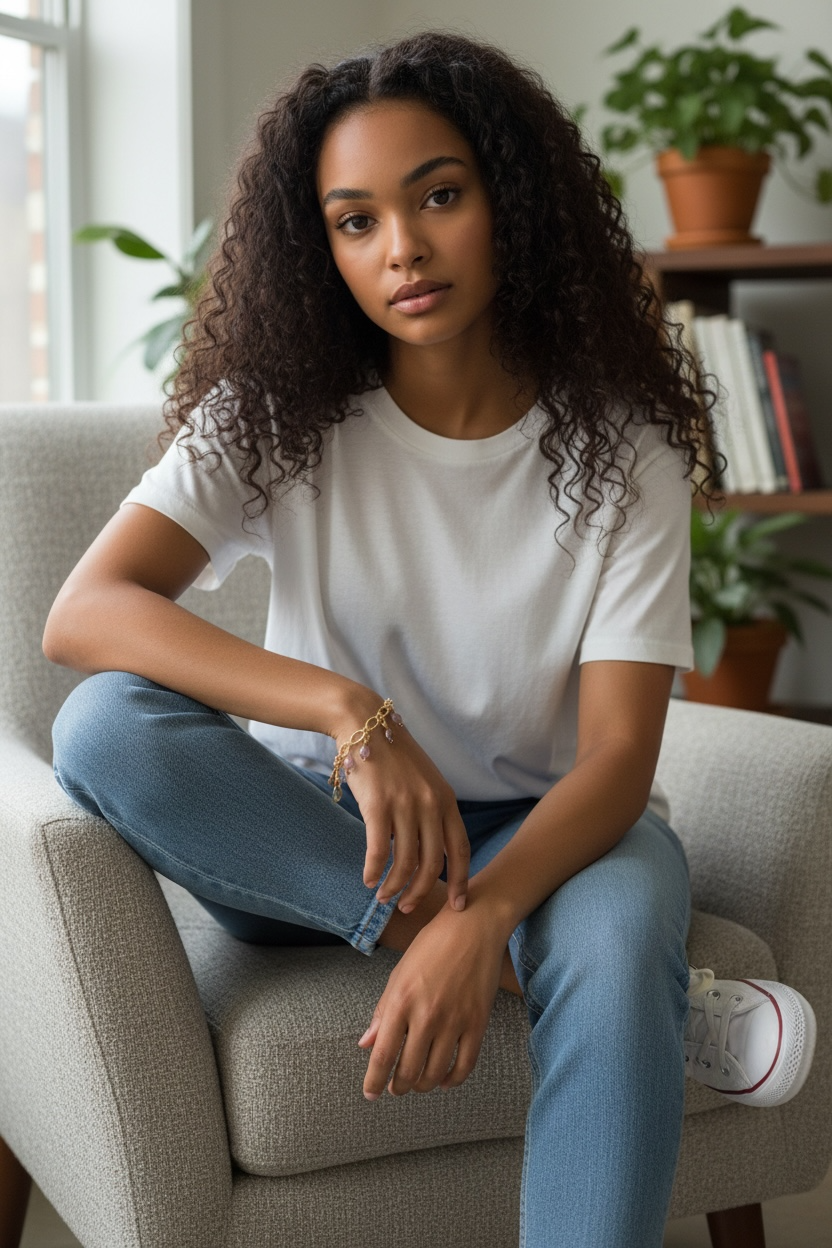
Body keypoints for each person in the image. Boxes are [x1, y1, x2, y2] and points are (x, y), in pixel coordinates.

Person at [44, 30, 816, 1248]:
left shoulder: (628, 448)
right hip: (324, 838)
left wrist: (480, 911)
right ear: (320, 248)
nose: (400, 248)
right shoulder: (276, 415)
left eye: (438, 197)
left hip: (555, 831)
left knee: (614, 944)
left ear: (511, 201)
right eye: (353, 221)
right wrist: (348, 715)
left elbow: (617, 757)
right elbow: (85, 615)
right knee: (103, 724)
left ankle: (591, 980)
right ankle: (635, 1002)